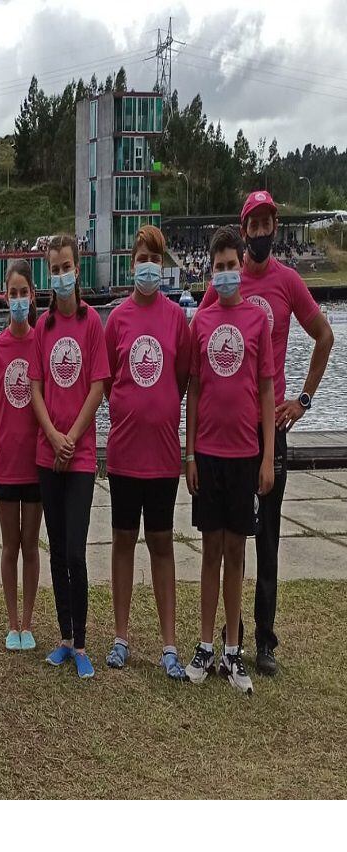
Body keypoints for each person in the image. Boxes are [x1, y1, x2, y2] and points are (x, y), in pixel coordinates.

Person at [198, 191, 334, 676]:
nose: (259, 233)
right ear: (243, 229)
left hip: (269, 426)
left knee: (266, 537)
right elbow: (202, 336)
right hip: (225, 432)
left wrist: (304, 399)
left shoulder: (287, 281)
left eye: (265, 224)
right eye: (251, 225)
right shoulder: (225, 281)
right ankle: (220, 640)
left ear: (275, 225)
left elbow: (325, 336)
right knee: (223, 536)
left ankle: (264, 641)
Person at [186, 226, 276, 695]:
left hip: (245, 456)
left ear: (241, 264)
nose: (224, 274)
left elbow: (264, 390)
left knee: (237, 552)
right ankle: (204, 644)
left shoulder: (256, 321)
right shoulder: (200, 322)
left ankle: (233, 650)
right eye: (216, 267)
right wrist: (190, 453)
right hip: (209, 454)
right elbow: (195, 390)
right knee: (211, 552)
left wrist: (266, 456)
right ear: (210, 270)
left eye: (230, 265)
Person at [103, 225, 190, 680]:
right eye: (141, 258)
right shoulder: (116, 319)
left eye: (155, 258)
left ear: (163, 263)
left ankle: (169, 645)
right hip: (123, 454)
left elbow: (181, 377)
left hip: (162, 456)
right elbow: (113, 378)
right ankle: (120, 637)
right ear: (131, 263)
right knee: (122, 541)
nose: (148, 266)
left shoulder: (177, 318)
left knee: (160, 543)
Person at [29, 234, 108, 680]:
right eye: (53, 268)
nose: (60, 275)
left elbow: (98, 387)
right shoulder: (44, 329)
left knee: (77, 550)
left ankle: (82, 643)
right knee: (56, 549)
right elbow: (36, 390)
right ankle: (62, 637)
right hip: (47, 454)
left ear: (77, 270)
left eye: (66, 267)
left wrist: (71, 439)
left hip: (77, 459)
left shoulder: (91, 323)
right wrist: (52, 436)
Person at [0, 260, 41, 652]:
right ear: (5, 297)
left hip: (35, 461)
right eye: (13, 293)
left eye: (24, 293)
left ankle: (29, 620)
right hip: (5, 459)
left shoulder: (41, 342)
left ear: (32, 297)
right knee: (9, 545)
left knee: (31, 544)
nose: (18, 299)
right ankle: (11, 622)